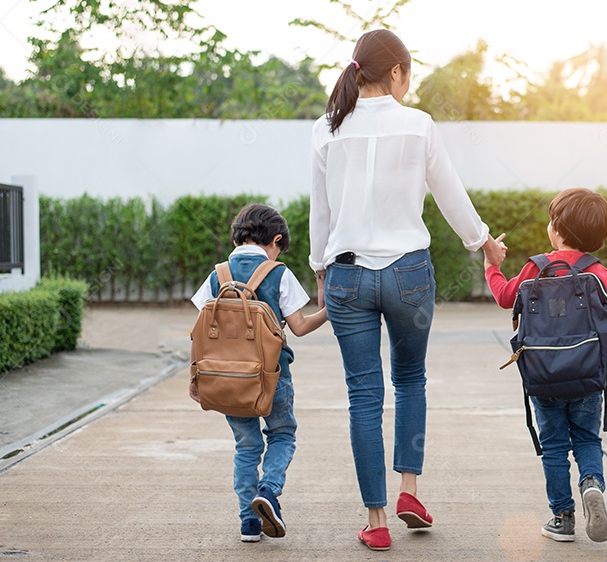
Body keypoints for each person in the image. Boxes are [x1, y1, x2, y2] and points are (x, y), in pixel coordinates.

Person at [309, 28, 506, 552]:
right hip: (408, 276)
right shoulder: (418, 125)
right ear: (395, 72)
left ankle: (374, 520)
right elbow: (450, 193)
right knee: (411, 379)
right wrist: (483, 242)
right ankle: (409, 491)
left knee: (363, 397)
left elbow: (320, 211)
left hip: (347, 275)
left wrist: (319, 270)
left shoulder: (327, 129)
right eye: (408, 73)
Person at [485, 187, 607, 544]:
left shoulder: (535, 267)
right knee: (587, 439)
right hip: (588, 379)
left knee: (554, 446)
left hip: (544, 378)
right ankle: (591, 484)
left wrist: (492, 266)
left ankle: (562, 518)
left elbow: (505, 298)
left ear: (556, 229)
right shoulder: (601, 275)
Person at [189, 203, 327, 543]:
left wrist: (195, 377)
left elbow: (199, 332)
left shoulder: (216, 275)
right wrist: (330, 312)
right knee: (282, 434)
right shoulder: (278, 273)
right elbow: (300, 327)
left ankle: (249, 523)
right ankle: (269, 490)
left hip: (224, 380)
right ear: (276, 239)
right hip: (271, 376)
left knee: (246, 446)